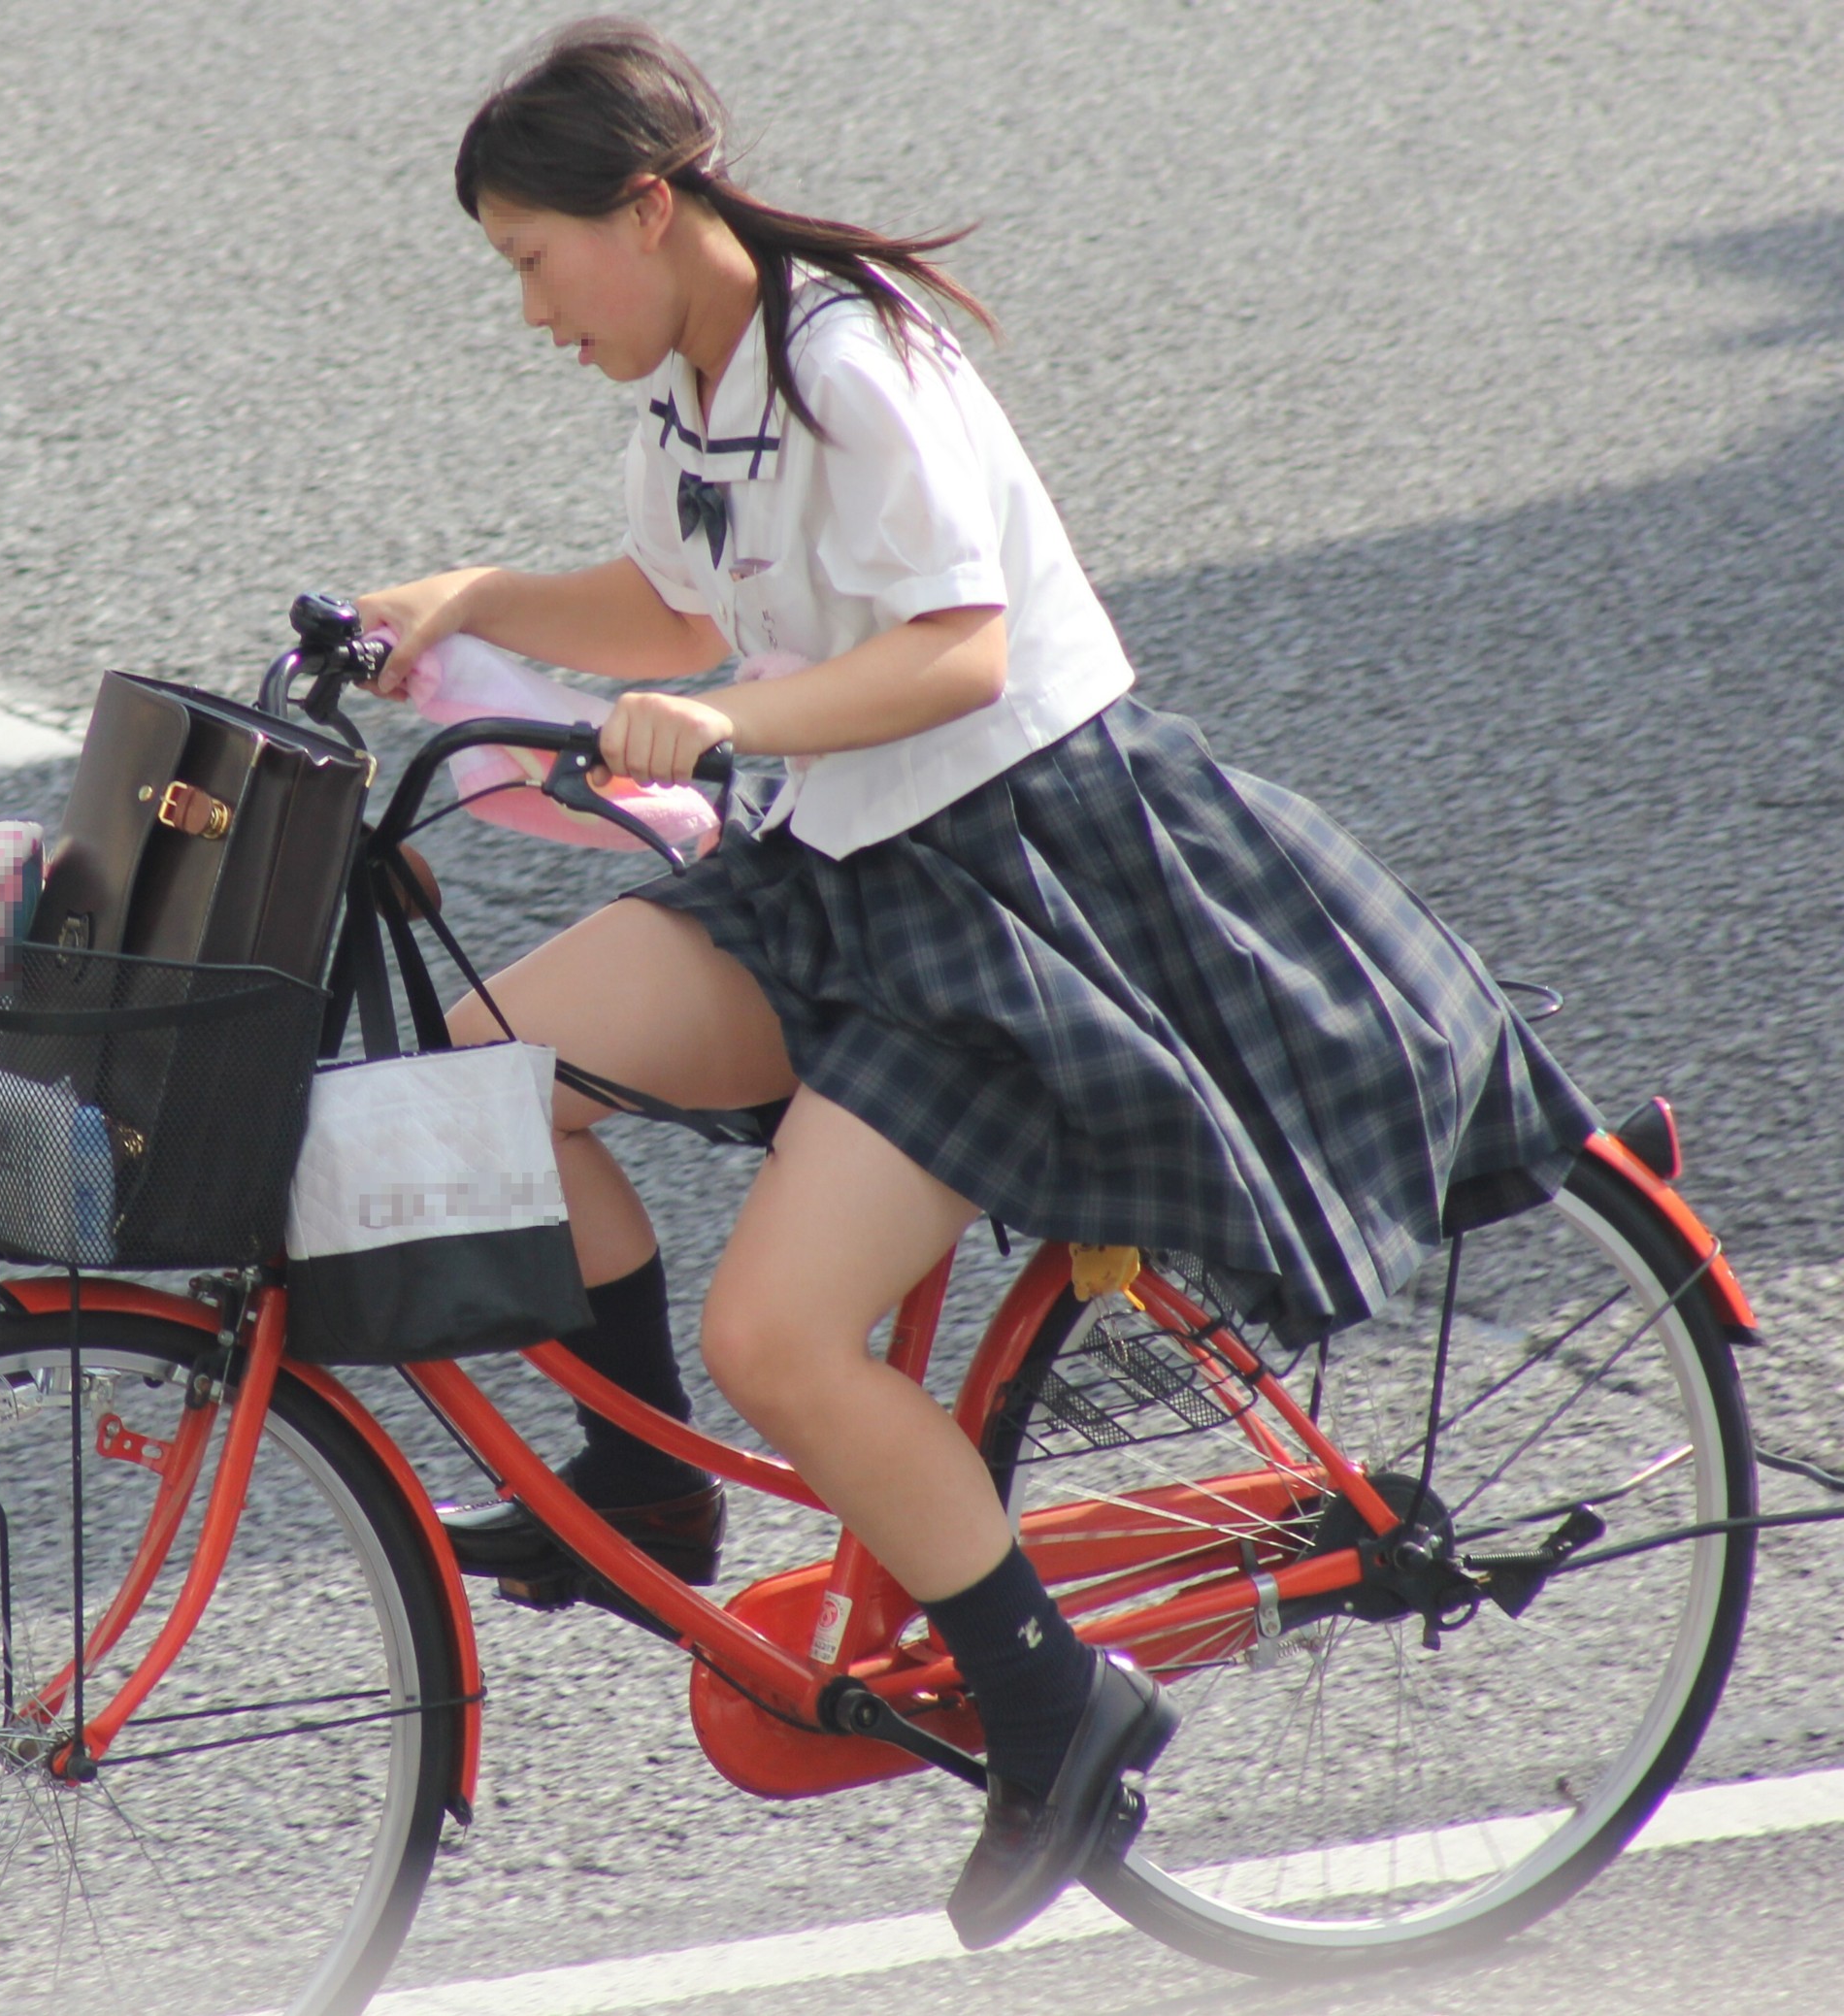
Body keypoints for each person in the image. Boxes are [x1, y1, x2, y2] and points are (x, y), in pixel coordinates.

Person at [357, 17, 1597, 1948]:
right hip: (835, 868)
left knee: (784, 1336)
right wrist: (477, 600)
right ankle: (643, 1490)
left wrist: (724, 716)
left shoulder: (855, 362)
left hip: (1017, 884)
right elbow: (680, 606)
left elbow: (952, 653)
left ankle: (1049, 1700)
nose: (526, 306)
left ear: (647, 206)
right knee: (480, 1079)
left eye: (531, 258)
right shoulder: (695, 380)